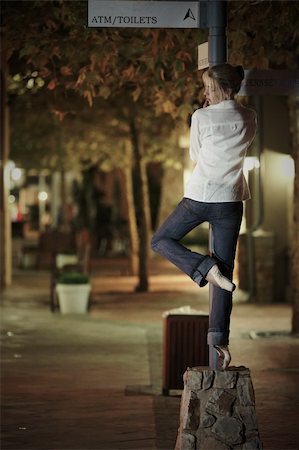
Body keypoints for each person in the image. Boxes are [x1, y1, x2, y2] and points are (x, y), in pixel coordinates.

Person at [151, 63, 257, 369]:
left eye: (209, 87)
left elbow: (195, 155)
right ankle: (219, 341)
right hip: (231, 201)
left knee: (160, 240)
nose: (205, 92)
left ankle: (201, 266)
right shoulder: (249, 116)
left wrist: (206, 113)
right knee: (224, 275)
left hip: (200, 197)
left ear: (223, 88)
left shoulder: (200, 116)